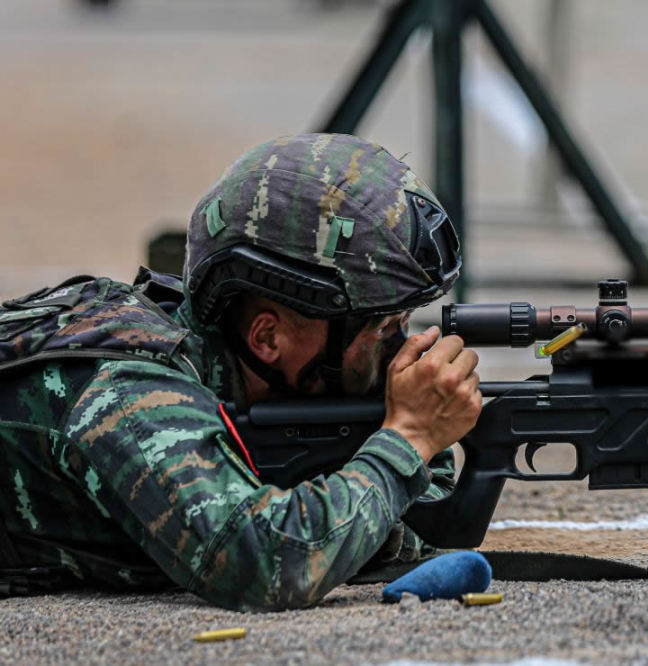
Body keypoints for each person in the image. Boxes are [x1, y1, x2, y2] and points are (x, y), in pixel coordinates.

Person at [0, 133, 481, 610]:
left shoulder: (231, 376)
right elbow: (268, 562)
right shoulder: (134, 393)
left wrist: (403, 452)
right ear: (268, 338)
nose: (403, 347)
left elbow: (411, 521)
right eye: (382, 327)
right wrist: (407, 439)